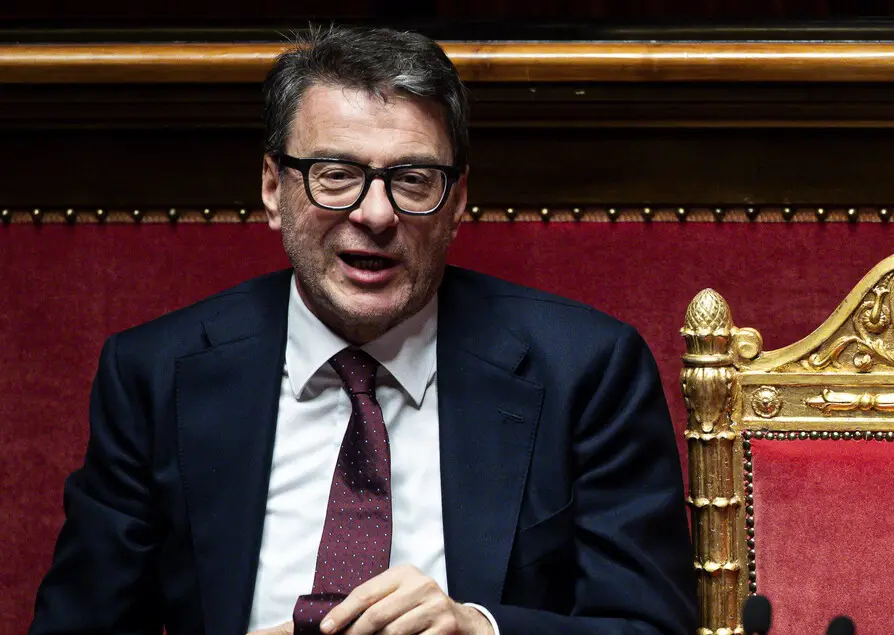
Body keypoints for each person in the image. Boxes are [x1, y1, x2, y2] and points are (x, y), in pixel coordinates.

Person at [28, 25, 696, 635]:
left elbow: (649, 627)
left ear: (457, 201)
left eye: (413, 179)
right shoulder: (154, 374)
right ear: (273, 187)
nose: (375, 214)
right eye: (337, 175)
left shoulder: (587, 370)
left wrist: (480, 630)